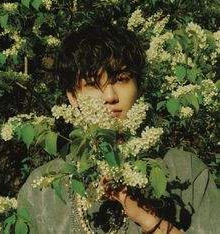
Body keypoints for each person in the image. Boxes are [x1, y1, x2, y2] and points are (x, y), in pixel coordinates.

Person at [17, 25, 220, 234]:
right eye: (93, 84)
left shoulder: (185, 171)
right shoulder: (42, 189)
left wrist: (149, 220)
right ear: (72, 96)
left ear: (138, 87)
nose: (110, 97)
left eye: (121, 80)